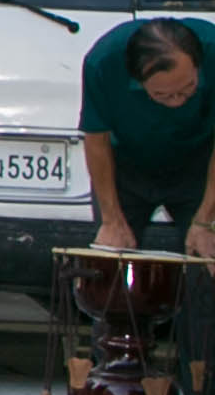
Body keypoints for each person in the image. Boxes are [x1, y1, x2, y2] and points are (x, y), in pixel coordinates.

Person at [85, 17, 215, 258]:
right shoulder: (103, 62)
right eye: (163, 94)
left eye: (188, 88)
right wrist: (111, 220)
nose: (177, 101)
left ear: (198, 66)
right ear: (138, 79)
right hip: (126, 169)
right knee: (112, 265)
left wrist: (205, 221)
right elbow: (96, 139)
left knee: (207, 261)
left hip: (201, 167)